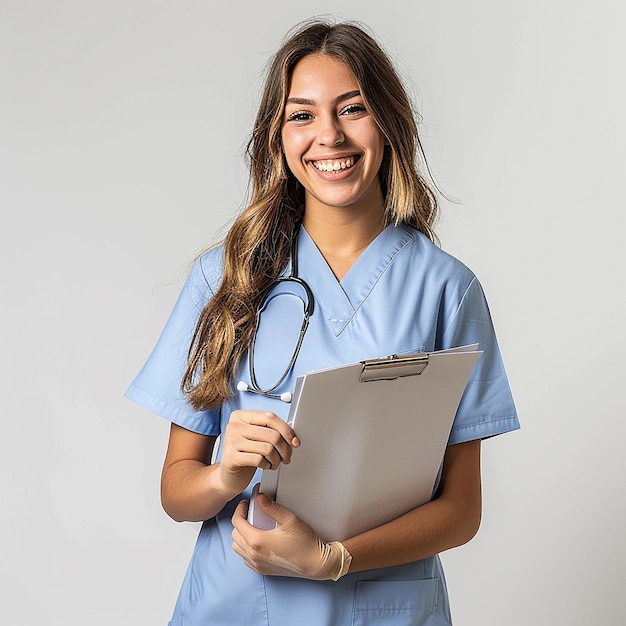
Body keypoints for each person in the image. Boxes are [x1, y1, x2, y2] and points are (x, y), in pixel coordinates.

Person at [126, 19, 519, 625]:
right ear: (277, 136)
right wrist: (225, 472)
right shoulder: (226, 278)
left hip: (386, 608)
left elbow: (462, 510)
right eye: (302, 115)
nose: (329, 136)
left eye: (352, 109)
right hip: (241, 604)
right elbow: (176, 492)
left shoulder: (447, 288)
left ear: (388, 123)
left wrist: (332, 558)